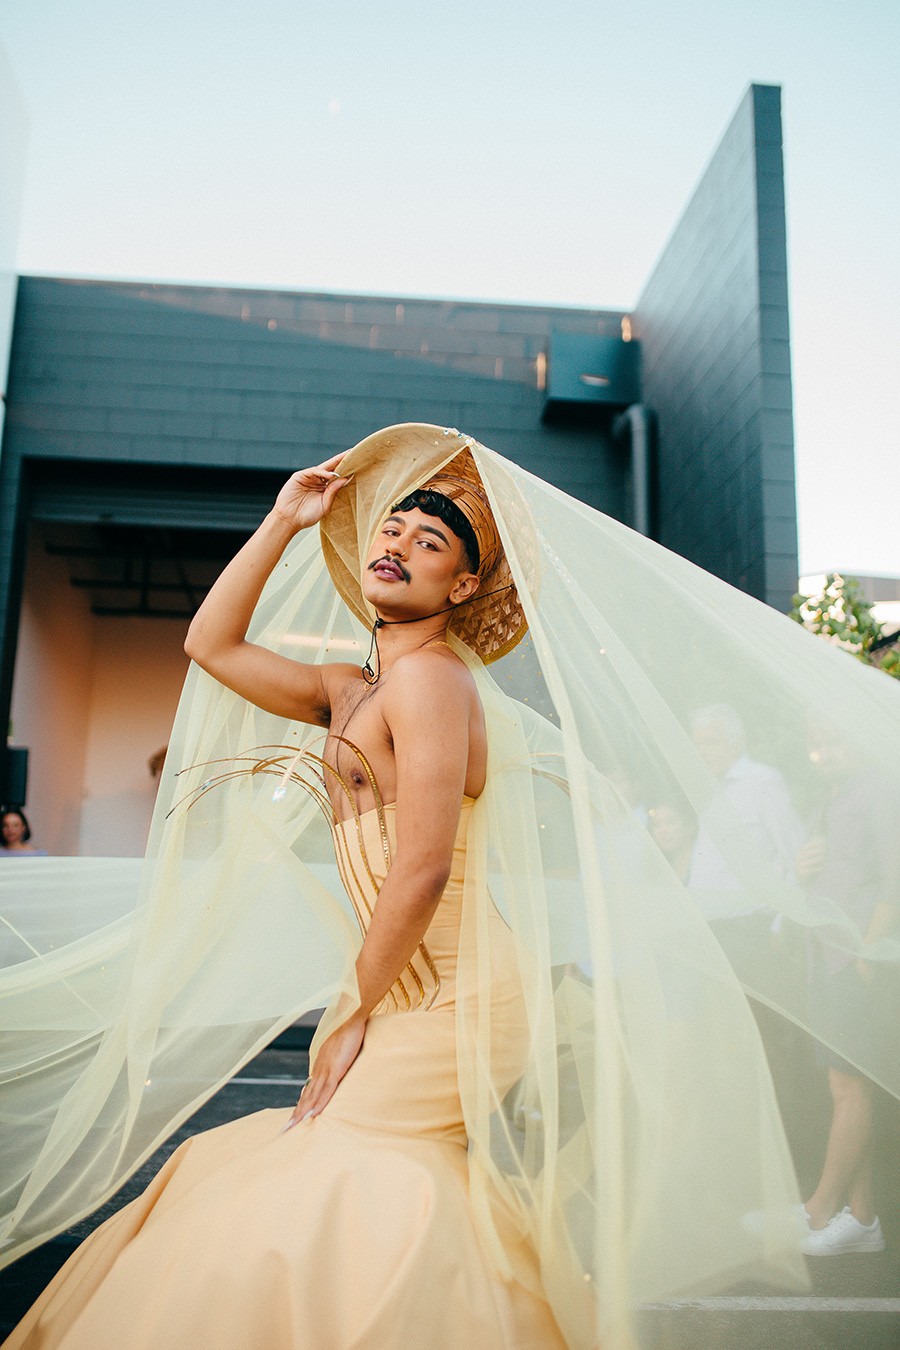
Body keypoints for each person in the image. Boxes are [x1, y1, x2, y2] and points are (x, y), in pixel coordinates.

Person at [3, 424, 898, 1348]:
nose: (396, 544)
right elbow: (209, 641)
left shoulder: (432, 682)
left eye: (429, 543)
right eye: (389, 530)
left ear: (461, 586)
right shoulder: (347, 690)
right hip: (406, 987)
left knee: (339, 1169)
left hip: (463, 992)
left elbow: (425, 864)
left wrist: (350, 1009)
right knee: (333, 1171)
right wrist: (281, 520)